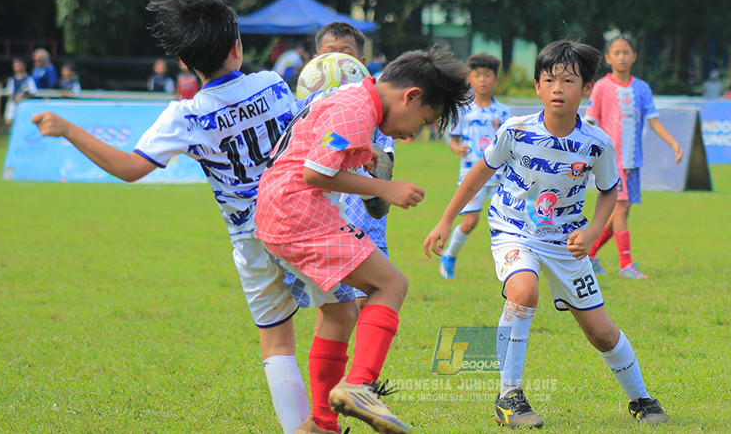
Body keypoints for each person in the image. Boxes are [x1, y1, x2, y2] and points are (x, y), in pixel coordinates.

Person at [32, 0, 327, 434]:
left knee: (276, 343)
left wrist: (68, 129)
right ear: (237, 47)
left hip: (251, 238)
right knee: (339, 313)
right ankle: (331, 410)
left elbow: (130, 169)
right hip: (301, 220)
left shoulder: (185, 116)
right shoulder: (271, 84)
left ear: (186, 62)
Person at [424, 40, 668, 429]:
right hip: (513, 230)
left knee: (602, 334)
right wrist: (445, 220)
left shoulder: (597, 143)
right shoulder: (515, 130)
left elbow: (610, 190)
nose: (558, 89)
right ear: (537, 86)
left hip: (566, 243)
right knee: (524, 291)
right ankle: (509, 398)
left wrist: (592, 232)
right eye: (550, 80)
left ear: (587, 88)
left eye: (569, 81)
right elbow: (478, 173)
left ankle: (642, 399)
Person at [256, 46, 471, 434]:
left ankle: (321, 424)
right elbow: (315, 172)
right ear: (411, 97)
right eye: (423, 121)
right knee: (391, 284)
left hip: (279, 209)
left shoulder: (353, 97)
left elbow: (320, 141)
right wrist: (384, 188)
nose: (411, 134)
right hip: (297, 211)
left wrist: (362, 151)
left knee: (341, 313)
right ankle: (358, 385)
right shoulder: (356, 110)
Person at [584, 35, 683, 279]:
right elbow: (590, 121)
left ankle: (590, 254)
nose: (622, 57)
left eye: (626, 52)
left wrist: (673, 143)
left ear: (634, 57)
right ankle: (626, 265)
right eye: (616, 53)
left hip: (633, 160)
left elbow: (653, 120)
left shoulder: (642, 88)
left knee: (619, 212)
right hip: (611, 161)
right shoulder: (601, 87)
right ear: (608, 58)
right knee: (622, 208)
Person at [312, 21, 395, 294]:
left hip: (365, 224)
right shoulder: (304, 112)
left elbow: (383, 169)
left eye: (345, 54)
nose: (336, 62)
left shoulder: (374, 113)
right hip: (321, 226)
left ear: (360, 63)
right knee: (335, 307)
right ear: (315, 62)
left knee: (372, 295)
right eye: (329, 53)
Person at [439, 53, 511, 279]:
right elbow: (453, 138)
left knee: (506, 222)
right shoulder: (463, 109)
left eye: (487, 75)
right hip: (471, 174)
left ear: (495, 80)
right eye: (477, 75)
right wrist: (456, 148)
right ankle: (449, 256)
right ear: (470, 79)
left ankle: (511, 266)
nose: (482, 80)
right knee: (470, 222)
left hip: (499, 175)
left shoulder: (504, 112)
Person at [5, 58, 37, 125]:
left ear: (24, 66)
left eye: (18, 64)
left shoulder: (28, 79)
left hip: (24, 104)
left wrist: (22, 98)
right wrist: (13, 99)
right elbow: (9, 92)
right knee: (9, 122)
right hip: (13, 103)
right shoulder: (12, 79)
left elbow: (33, 93)